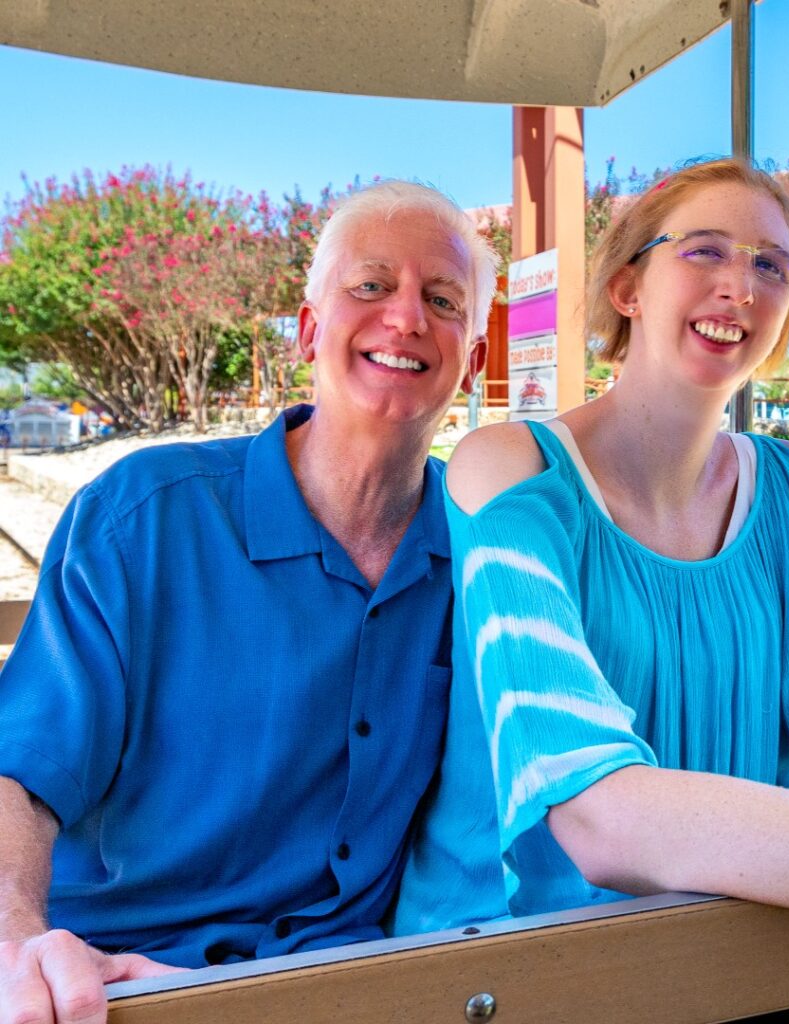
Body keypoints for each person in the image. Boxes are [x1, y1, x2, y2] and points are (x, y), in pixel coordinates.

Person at [392, 160, 789, 1018]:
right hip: (524, 956)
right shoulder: (513, 472)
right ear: (626, 287)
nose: (739, 285)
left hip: (726, 930)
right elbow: (599, 817)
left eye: (772, 265)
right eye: (704, 252)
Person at [0, 180, 495, 1024]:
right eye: (371, 286)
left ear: (474, 360)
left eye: (442, 300)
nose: (407, 318)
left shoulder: (487, 550)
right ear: (309, 329)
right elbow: (23, 771)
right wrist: (15, 944)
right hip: (115, 983)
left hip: (350, 994)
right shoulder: (144, 518)